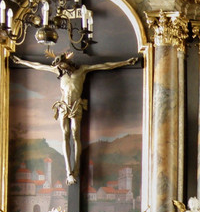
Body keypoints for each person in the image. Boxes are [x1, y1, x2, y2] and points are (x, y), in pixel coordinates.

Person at [11, 52, 140, 184]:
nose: (62, 68)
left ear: (67, 62)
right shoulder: (59, 71)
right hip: (63, 107)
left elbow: (104, 65)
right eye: (60, 66)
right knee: (65, 135)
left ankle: (76, 169)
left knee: (75, 135)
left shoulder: (82, 70)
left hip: (76, 107)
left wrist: (125, 62)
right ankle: (69, 172)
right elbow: (39, 66)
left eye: (63, 65)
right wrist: (21, 62)